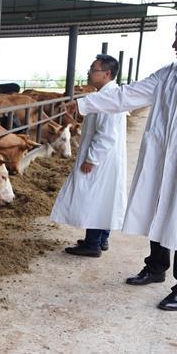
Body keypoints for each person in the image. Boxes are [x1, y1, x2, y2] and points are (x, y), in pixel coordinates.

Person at [62, 11, 177, 311]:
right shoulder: (170, 73)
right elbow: (127, 95)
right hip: (164, 157)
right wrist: (84, 103)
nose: (174, 44)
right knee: (159, 211)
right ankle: (156, 267)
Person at [50, 54, 127, 257]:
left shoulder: (109, 99)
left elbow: (106, 134)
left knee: (94, 197)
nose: (89, 73)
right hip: (107, 158)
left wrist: (91, 159)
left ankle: (92, 244)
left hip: (101, 158)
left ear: (106, 74)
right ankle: (101, 239)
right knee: (104, 197)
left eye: (93, 69)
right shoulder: (106, 95)